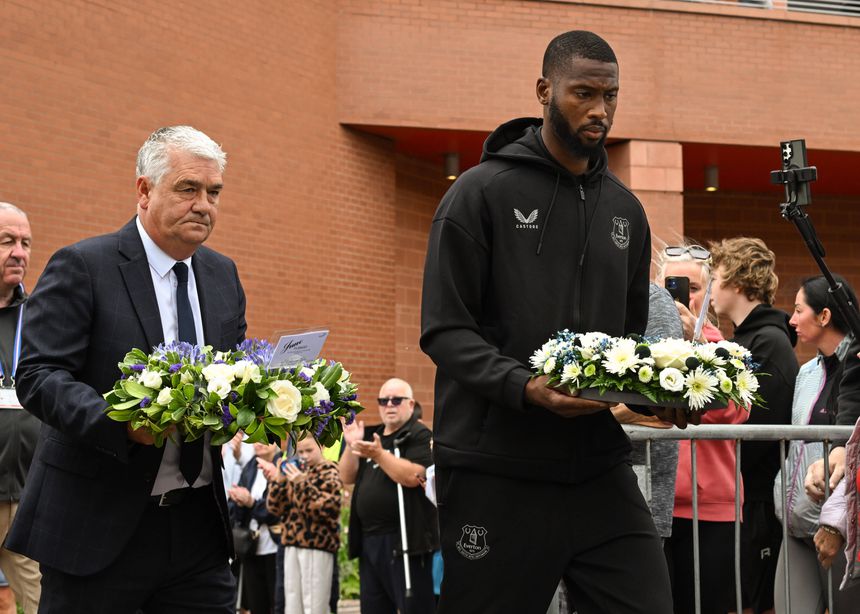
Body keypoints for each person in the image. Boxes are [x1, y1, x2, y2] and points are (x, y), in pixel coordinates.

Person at [420, 30, 690, 614]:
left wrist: (652, 396)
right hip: (497, 470)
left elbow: (625, 342)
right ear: (545, 90)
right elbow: (445, 329)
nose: (599, 110)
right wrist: (526, 387)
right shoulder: (479, 193)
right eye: (583, 93)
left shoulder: (626, 210)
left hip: (596, 464)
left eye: (610, 95)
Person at [6, 126, 246, 612]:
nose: (204, 204)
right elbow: (39, 374)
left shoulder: (223, 275)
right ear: (144, 190)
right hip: (95, 528)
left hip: (198, 529)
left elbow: (233, 371)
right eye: (188, 189)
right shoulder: (83, 265)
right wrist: (123, 423)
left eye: (213, 192)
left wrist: (266, 403)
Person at [709, 236, 799, 614]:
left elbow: (756, 428)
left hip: (758, 500)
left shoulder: (768, 344)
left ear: (738, 283)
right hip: (744, 497)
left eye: (714, 278)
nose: (711, 289)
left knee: (753, 604)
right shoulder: (749, 339)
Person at [658, 241, 749, 614]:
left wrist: (695, 344)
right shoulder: (634, 349)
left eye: (692, 288)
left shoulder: (725, 350)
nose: (681, 296)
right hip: (651, 505)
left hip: (710, 509)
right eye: (670, 286)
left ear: (709, 293)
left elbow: (732, 411)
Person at [771, 275, 860, 612]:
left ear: (824, 316)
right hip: (796, 524)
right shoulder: (806, 373)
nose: (791, 320)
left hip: (847, 527)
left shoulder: (856, 369)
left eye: (798, 310)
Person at [339, 378, 438, 614]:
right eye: (383, 401)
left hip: (405, 540)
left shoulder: (419, 434)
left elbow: (415, 476)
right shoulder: (372, 435)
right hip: (370, 541)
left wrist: (379, 455)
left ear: (411, 404)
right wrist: (353, 447)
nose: (389, 405)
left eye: (396, 400)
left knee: (413, 606)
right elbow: (346, 476)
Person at [0, 203, 40, 613]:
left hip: (29, 495)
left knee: (43, 603)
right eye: (7, 241)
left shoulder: (41, 316)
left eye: (25, 243)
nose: (19, 253)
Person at [264, 436, 341, 614]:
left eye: (309, 450)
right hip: (291, 543)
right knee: (292, 604)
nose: (304, 456)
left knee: (315, 604)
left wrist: (302, 483)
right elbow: (274, 508)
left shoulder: (328, 469)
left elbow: (327, 509)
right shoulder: (294, 470)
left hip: (317, 545)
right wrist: (279, 480)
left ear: (321, 447)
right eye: (301, 452)